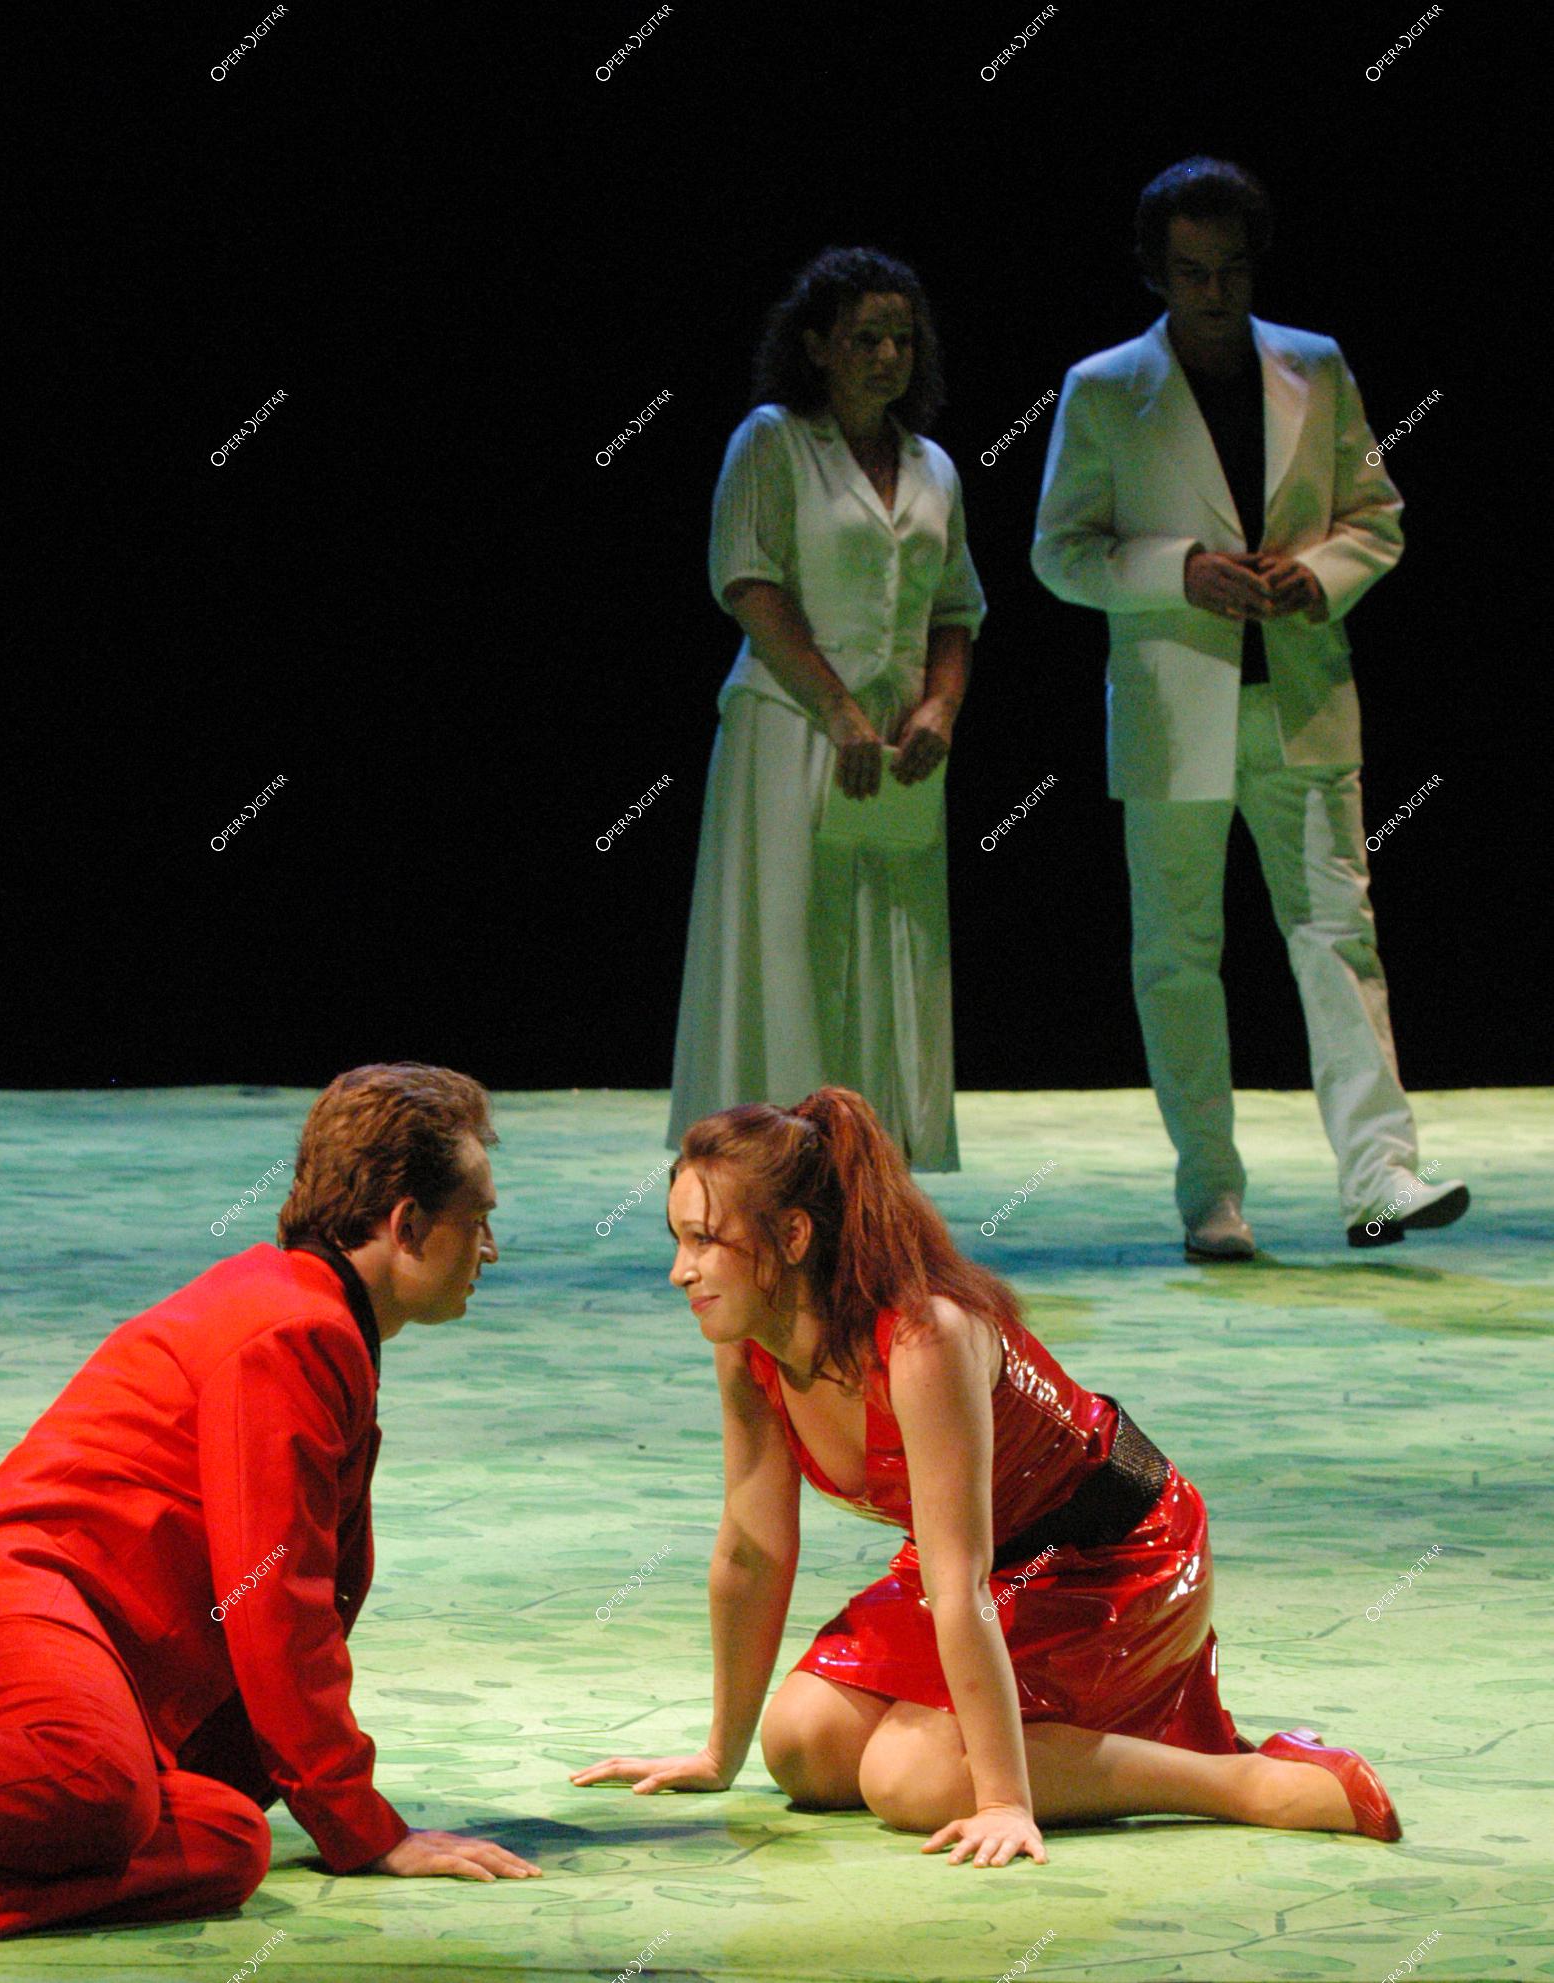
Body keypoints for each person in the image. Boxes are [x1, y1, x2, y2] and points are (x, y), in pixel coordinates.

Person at [571, 1087, 1400, 1865]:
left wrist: (1003, 1799)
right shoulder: (745, 1346)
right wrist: (719, 1753)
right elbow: (752, 1548)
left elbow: (958, 1581)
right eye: (677, 1239)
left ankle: (1254, 1784)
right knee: (802, 1743)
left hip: (1111, 1552)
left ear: (793, 1237)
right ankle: (1059, 1750)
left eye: (705, 1241)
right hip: (985, 1563)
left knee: (912, 1779)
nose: (680, 1270)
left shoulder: (924, 1337)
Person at [0, 1063, 539, 1954]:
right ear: (408, 1225)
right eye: (480, 1219)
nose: (490, 1249)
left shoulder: (309, 1313)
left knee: (226, 1836)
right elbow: (276, 1601)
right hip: (0, 1620)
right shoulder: (293, 1327)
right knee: (100, 1778)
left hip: (71, 1678)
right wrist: (364, 1826)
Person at [1030, 156, 1468, 1257]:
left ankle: (1381, 1175)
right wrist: (1180, 569)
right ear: (1155, 272)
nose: (1214, 291)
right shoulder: (1102, 388)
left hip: (1301, 697)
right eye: (1191, 272)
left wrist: (1315, 574)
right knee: (1178, 955)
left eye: (1230, 269)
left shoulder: (1314, 365)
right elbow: (1058, 552)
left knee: (1338, 935)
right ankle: (1211, 1195)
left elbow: (1376, 515)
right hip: (1173, 706)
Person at [666, 246, 988, 1172]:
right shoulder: (773, 440)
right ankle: (766, 1164)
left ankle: (867, 1168)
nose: (888, 356)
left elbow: (957, 608)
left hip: (896, 746)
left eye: (901, 340)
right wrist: (839, 709)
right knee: (788, 944)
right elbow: (748, 580)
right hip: (792, 726)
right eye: (865, 338)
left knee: (893, 948)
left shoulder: (933, 467)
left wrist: (941, 707)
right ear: (816, 345)